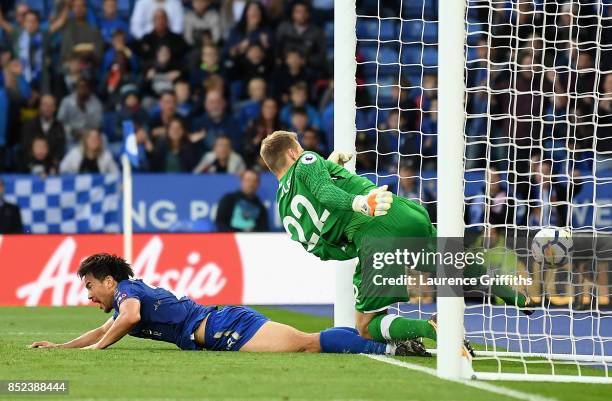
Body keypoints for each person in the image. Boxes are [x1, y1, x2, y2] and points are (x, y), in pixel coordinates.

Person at [259, 131, 532, 345]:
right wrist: (360, 202)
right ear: (295, 152)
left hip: (377, 237)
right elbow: (324, 192)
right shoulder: (308, 161)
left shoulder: (285, 213)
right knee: (452, 262)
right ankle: (516, 297)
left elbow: (324, 249)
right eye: (302, 149)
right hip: (401, 212)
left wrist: (357, 244)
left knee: (366, 327)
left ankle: (434, 329)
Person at [29, 253, 426, 357]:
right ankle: (386, 342)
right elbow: (106, 328)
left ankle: (388, 345)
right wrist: (63, 347)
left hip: (224, 327)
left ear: (109, 281)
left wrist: (99, 350)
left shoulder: (128, 295)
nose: (88, 295)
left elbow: (127, 319)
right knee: (308, 341)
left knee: (309, 342)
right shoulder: (127, 295)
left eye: (90, 286)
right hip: (220, 326)